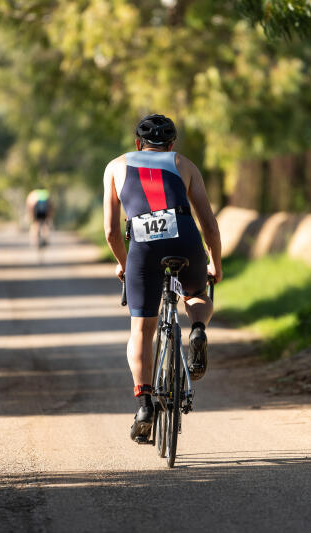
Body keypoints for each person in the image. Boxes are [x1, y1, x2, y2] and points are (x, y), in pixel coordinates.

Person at [103, 114, 222, 442]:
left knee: (141, 328)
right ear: (171, 145)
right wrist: (216, 264)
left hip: (142, 243)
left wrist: (125, 264)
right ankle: (197, 330)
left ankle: (144, 403)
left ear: (137, 143)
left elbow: (112, 231)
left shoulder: (115, 167)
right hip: (184, 236)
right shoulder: (184, 164)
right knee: (197, 294)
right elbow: (210, 225)